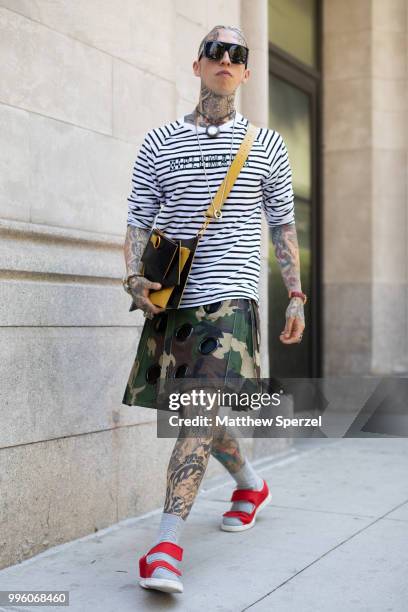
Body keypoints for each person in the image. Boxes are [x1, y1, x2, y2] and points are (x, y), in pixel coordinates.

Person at [122, 24, 306, 594]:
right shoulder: (159, 142)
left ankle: (166, 545)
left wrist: (295, 293)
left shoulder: (267, 145)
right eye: (214, 51)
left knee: (196, 411)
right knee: (198, 413)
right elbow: (138, 217)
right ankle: (250, 484)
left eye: (237, 54)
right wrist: (132, 276)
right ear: (197, 65)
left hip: (232, 302)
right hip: (172, 303)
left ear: (247, 72)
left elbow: (282, 224)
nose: (225, 59)